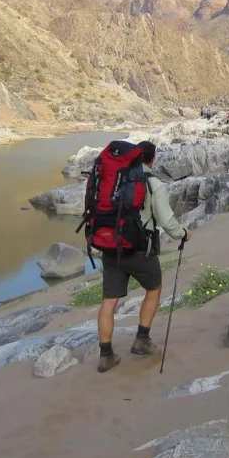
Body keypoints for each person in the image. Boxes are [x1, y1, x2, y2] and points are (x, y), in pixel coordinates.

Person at [97, 141, 191, 373]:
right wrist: (183, 234)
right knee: (154, 288)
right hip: (140, 249)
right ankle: (141, 339)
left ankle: (106, 355)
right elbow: (166, 220)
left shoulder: (114, 178)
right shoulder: (153, 183)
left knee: (109, 302)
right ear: (152, 159)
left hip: (110, 247)